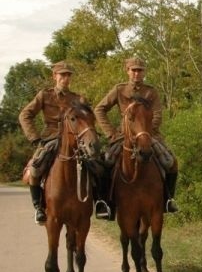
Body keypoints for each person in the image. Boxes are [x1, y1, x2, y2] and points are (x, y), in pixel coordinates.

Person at [18, 61, 110, 224]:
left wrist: (90, 135)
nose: (65, 78)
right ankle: (39, 207)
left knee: (99, 166)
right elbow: (25, 115)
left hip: (76, 140)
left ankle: (100, 203)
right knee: (35, 169)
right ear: (54, 76)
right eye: (62, 75)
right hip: (51, 138)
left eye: (68, 75)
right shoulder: (44, 95)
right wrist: (34, 138)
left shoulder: (78, 98)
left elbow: (89, 119)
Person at [94, 57, 179, 216]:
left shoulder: (150, 91)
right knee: (105, 163)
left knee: (170, 162)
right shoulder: (119, 90)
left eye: (140, 70)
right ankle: (105, 202)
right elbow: (99, 109)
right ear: (127, 71)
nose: (136, 73)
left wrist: (145, 132)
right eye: (133, 70)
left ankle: (168, 200)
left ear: (144, 72)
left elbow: (157, 115)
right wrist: (111, 133)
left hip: (148, 135)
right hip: (124, 136)